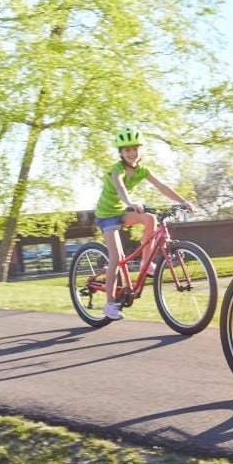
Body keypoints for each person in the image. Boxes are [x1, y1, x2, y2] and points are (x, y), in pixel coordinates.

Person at [95, 128, 196, 321]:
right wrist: (130, 203)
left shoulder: (142, 170)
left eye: (135, 149)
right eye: (127, 151)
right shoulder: (116, 169)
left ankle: (145, 263)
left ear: (140, 150)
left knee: (150, 219)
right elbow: (120, 186)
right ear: (121, 153)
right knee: (116, 257)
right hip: (107, 215)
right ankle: (109, 304)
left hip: (121, 212)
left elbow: (162, 186)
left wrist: (183, 201)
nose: (132, 154)